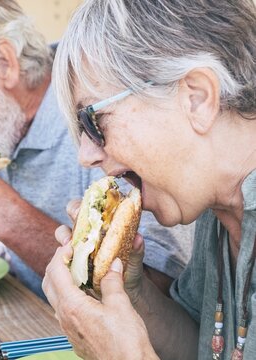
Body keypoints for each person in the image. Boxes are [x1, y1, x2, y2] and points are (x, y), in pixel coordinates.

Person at [0, 0, 192, 299]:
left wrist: (0, 212)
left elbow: (163, 292)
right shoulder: (1, 122)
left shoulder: (100, 116)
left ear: (3, 63)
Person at [42, 0, 256, 358]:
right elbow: (202, 348)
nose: (86, 155)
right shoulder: (215, 209)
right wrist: (131, 294)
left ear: (198, 99)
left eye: (93, 121)